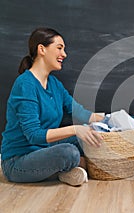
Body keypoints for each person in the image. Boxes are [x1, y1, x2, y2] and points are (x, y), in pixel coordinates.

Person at [1, 27, 104, 186]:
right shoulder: (25, 84)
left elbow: (80, 113)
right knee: (69, 152)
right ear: (42, 49)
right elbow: (34, 135)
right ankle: (66, 167)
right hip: (18, 160)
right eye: (59, 48)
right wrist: (75, 129)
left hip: (45, 149)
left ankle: (63, 172)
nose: (64, 54)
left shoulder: (54, 84)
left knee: (91, 136)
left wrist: (112, 119)